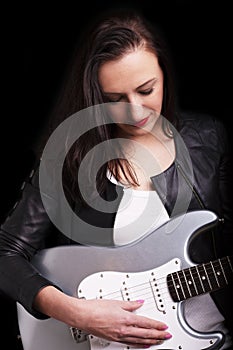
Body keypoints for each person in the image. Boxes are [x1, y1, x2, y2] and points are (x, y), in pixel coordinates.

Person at [0, 7, 232, 349]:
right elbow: (5, 252)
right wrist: (76, 313)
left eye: (146, 90)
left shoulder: (209, 138)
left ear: (164, 74)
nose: (135, 111)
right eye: (114, 99)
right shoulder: (65, 157)